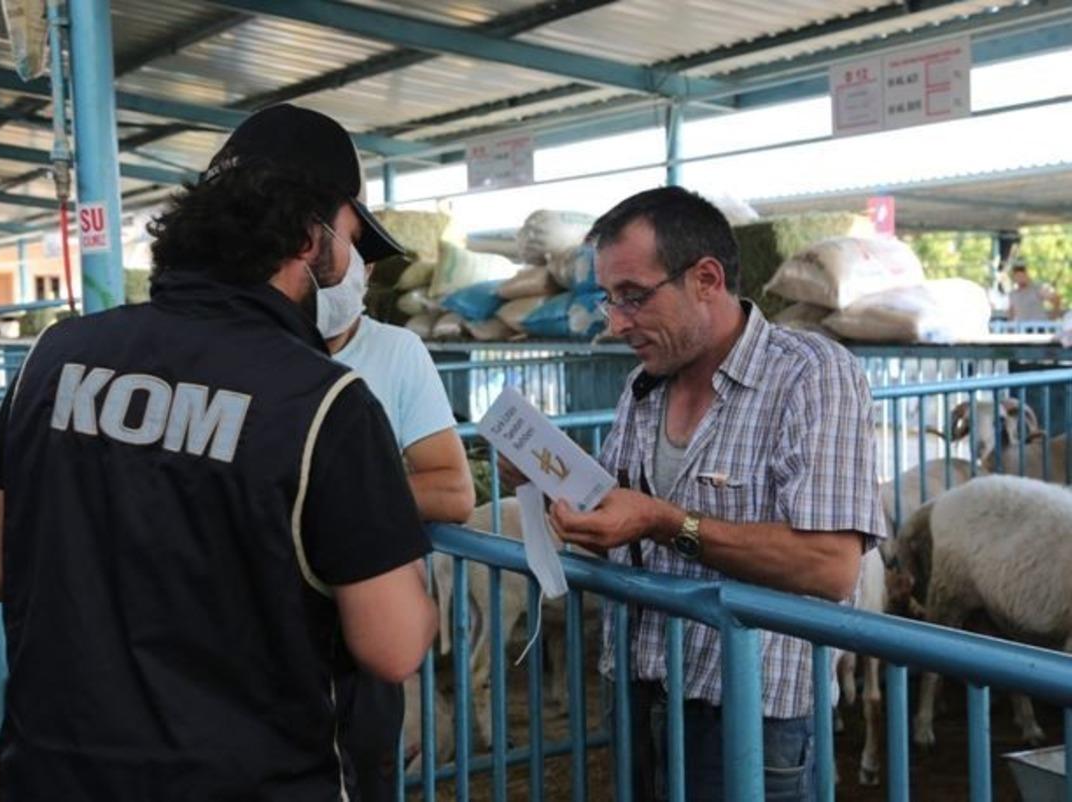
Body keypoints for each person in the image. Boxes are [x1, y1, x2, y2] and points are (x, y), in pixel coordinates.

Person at [0, 104, 437, 802]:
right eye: (351, 237)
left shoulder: (54, 357)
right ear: (313, 240)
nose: (356, 267)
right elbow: (394, 645)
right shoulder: (326, 404)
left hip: (52, 774)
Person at [534, 186, 886, 800]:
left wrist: (666, 522)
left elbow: (830, 567)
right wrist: (558, 491)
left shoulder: (811, 375)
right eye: (609, 300)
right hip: (638, 691)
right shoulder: (643, 387)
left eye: (634, 297)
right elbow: (624, 536)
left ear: (705, 278)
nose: (617, 323)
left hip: (750, 713)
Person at [316, 258, 475, 799]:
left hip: (363, 623)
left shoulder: (396, 352)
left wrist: (321, 499)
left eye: (346, 253)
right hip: (272, 631)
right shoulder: (256, 351)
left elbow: (454, 492)